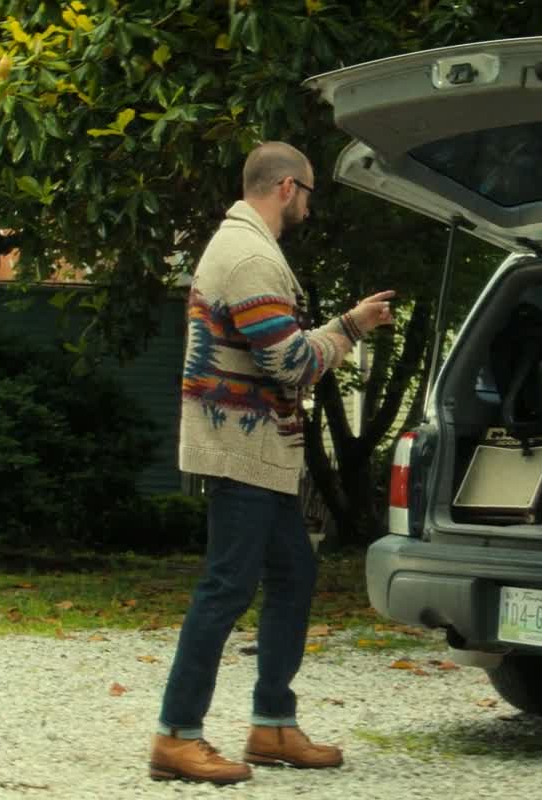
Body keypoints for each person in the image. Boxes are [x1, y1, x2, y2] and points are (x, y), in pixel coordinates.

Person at [150, 141, 396, 784]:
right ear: (288, 187)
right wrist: (351, 327)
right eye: (309, 193)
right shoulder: (251, 258)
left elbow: (277, 350)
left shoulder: (244, 247)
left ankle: (272, 725)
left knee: (292, 574)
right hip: (242, 448)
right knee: (227, 587)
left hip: (257, 448)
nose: (310, 207)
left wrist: (344, 323)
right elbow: (291, 363)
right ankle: (176, 735)